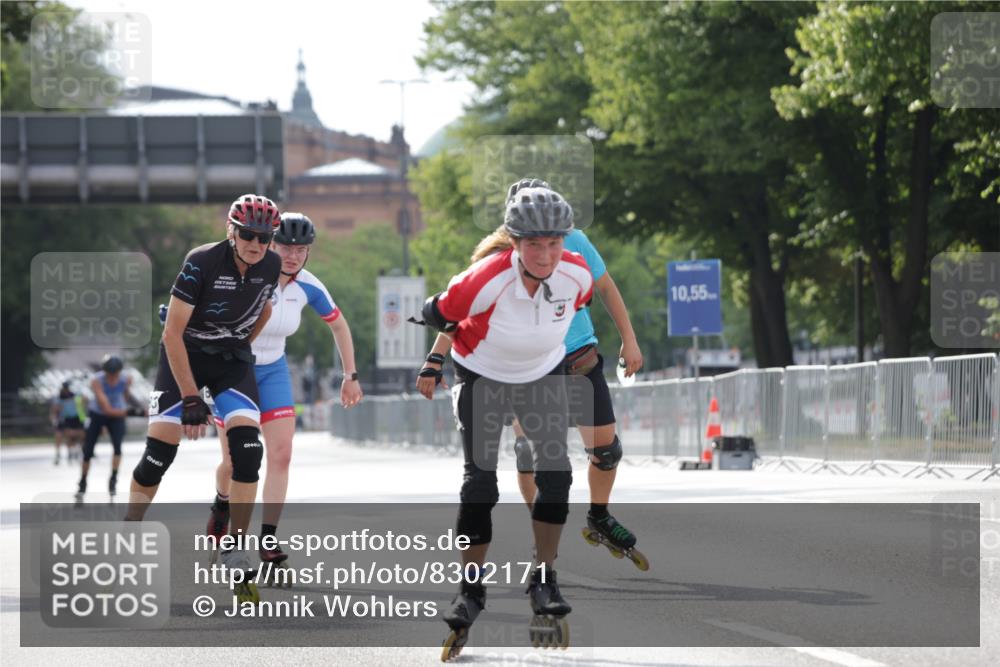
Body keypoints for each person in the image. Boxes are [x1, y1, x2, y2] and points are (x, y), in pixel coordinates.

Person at [419, 178, 647, 569]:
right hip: (524, 370)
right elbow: (463, 314)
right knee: (530, 454)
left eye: (552, 235)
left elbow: (605, 288)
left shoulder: (574, 245)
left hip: (577, 358)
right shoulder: (497, 260)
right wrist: (435, 358)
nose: (544, 247)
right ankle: (543, 536)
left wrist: (630, 339)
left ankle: (599, 515)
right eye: (532, 234)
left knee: (607, 451)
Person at [415, 183, 592, 658]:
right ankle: (470, 589)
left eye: (554, 243)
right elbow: (440, 313)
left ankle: (544, 577)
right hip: (482, 375)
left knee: (556, 475)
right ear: (514, 242)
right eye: (534, 244)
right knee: (480, 484)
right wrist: (434, 358)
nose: (546, 255)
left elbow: (572, 309)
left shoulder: (577, 275)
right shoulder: (485, 278)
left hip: (540, 375)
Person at [124, 193, 281, 590]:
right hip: (185, 353)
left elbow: (264, 309)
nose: (256, 244)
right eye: (248, 235)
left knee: (248, 451)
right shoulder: (202, 261)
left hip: (230, 359)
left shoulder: (271, 265)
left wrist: (240, 344)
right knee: (158, 455)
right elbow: (171, 333)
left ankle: (236, 546)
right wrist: (191, 396)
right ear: (232, 231)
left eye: (265, 238)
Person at [206, 212, 364, 571]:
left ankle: (268, 538)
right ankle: (221, 503)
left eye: (301, 250)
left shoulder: (309, 285)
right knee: (235, 461)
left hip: (274, 371)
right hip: (235, 370)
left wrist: (350, 375)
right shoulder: (245, 275)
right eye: (285, 247)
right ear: (270, 245)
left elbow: (339, 326)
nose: (293, 256)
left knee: (281, 455)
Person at [74, 355, 131, 501]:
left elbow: (125, 396)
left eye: (115, 375)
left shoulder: (126, 379)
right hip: (98, 413)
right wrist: (128, 412)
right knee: (88, 450)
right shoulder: (96, 380)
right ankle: (83, 481)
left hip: (116, 414)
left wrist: (123, 407)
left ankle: (113, 479)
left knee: (118, 447)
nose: (112, 378)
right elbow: (105, 406)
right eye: (109, 375)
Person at [51, 381, 84, 465]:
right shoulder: (59, 398)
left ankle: (78, 451)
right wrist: (54, 418)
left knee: (79, 434)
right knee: (62, 435)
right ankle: (60, 453)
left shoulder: (75, 396)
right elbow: (55, 410)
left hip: (75, 418)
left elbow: (82, 404)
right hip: (65, 418)